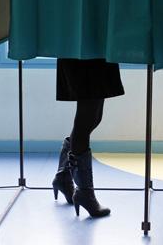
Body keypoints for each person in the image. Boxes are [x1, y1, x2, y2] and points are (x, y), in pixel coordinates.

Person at [51, 58, 124, 218]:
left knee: (93, 116)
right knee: (87, 118)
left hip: (93, 49)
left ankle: (64, 176)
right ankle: (85, 193)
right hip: (86, 50)